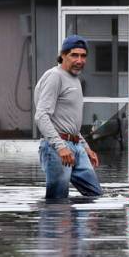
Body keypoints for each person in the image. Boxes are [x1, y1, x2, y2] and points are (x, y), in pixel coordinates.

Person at [35, 35, 102, 198]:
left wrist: (86, 147)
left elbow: (69, 123)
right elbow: (41, 115)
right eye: (74, 55)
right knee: (57, 201)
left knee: (95, 194)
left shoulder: (75, 79)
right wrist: (60, 147)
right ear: (63, 55)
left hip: (76, 146)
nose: (79, 60)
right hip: (57, 147)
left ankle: (77, 223)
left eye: (83, 56)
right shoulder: (54, 76)